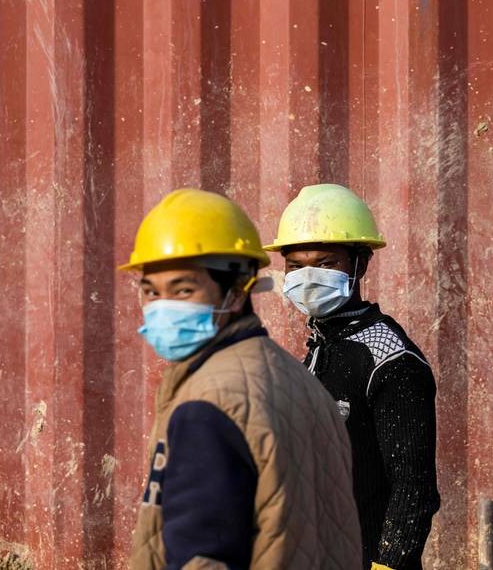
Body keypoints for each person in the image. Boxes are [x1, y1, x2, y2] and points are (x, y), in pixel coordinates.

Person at [124, 188, 362, 570]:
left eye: (184, 289)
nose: (163, 307)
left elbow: (201, 556)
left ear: (236, 293)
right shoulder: (299, 380)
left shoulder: (208, 403)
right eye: (151, 291)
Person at [265, 184, 440, 570]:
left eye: (326, 264)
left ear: (360, 264)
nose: (308, 277)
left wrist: (387, 565)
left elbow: (415, 490)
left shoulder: (389, 358)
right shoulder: (320, 349)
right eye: (295, 266)